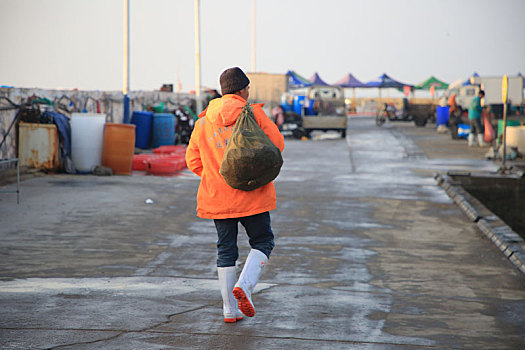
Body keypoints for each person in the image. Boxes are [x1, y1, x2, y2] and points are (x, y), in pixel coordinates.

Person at [185, 67, 285, 323]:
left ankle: (229, 310)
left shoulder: (204, 121)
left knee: (226, 249)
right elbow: (276, 147)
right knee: (263, 241)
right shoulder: (255, 114)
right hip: (254, 195)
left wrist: (218, 179)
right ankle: (246, 285)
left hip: (218, 199)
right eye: (248, 88)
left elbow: (193, 161)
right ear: (242, 90)